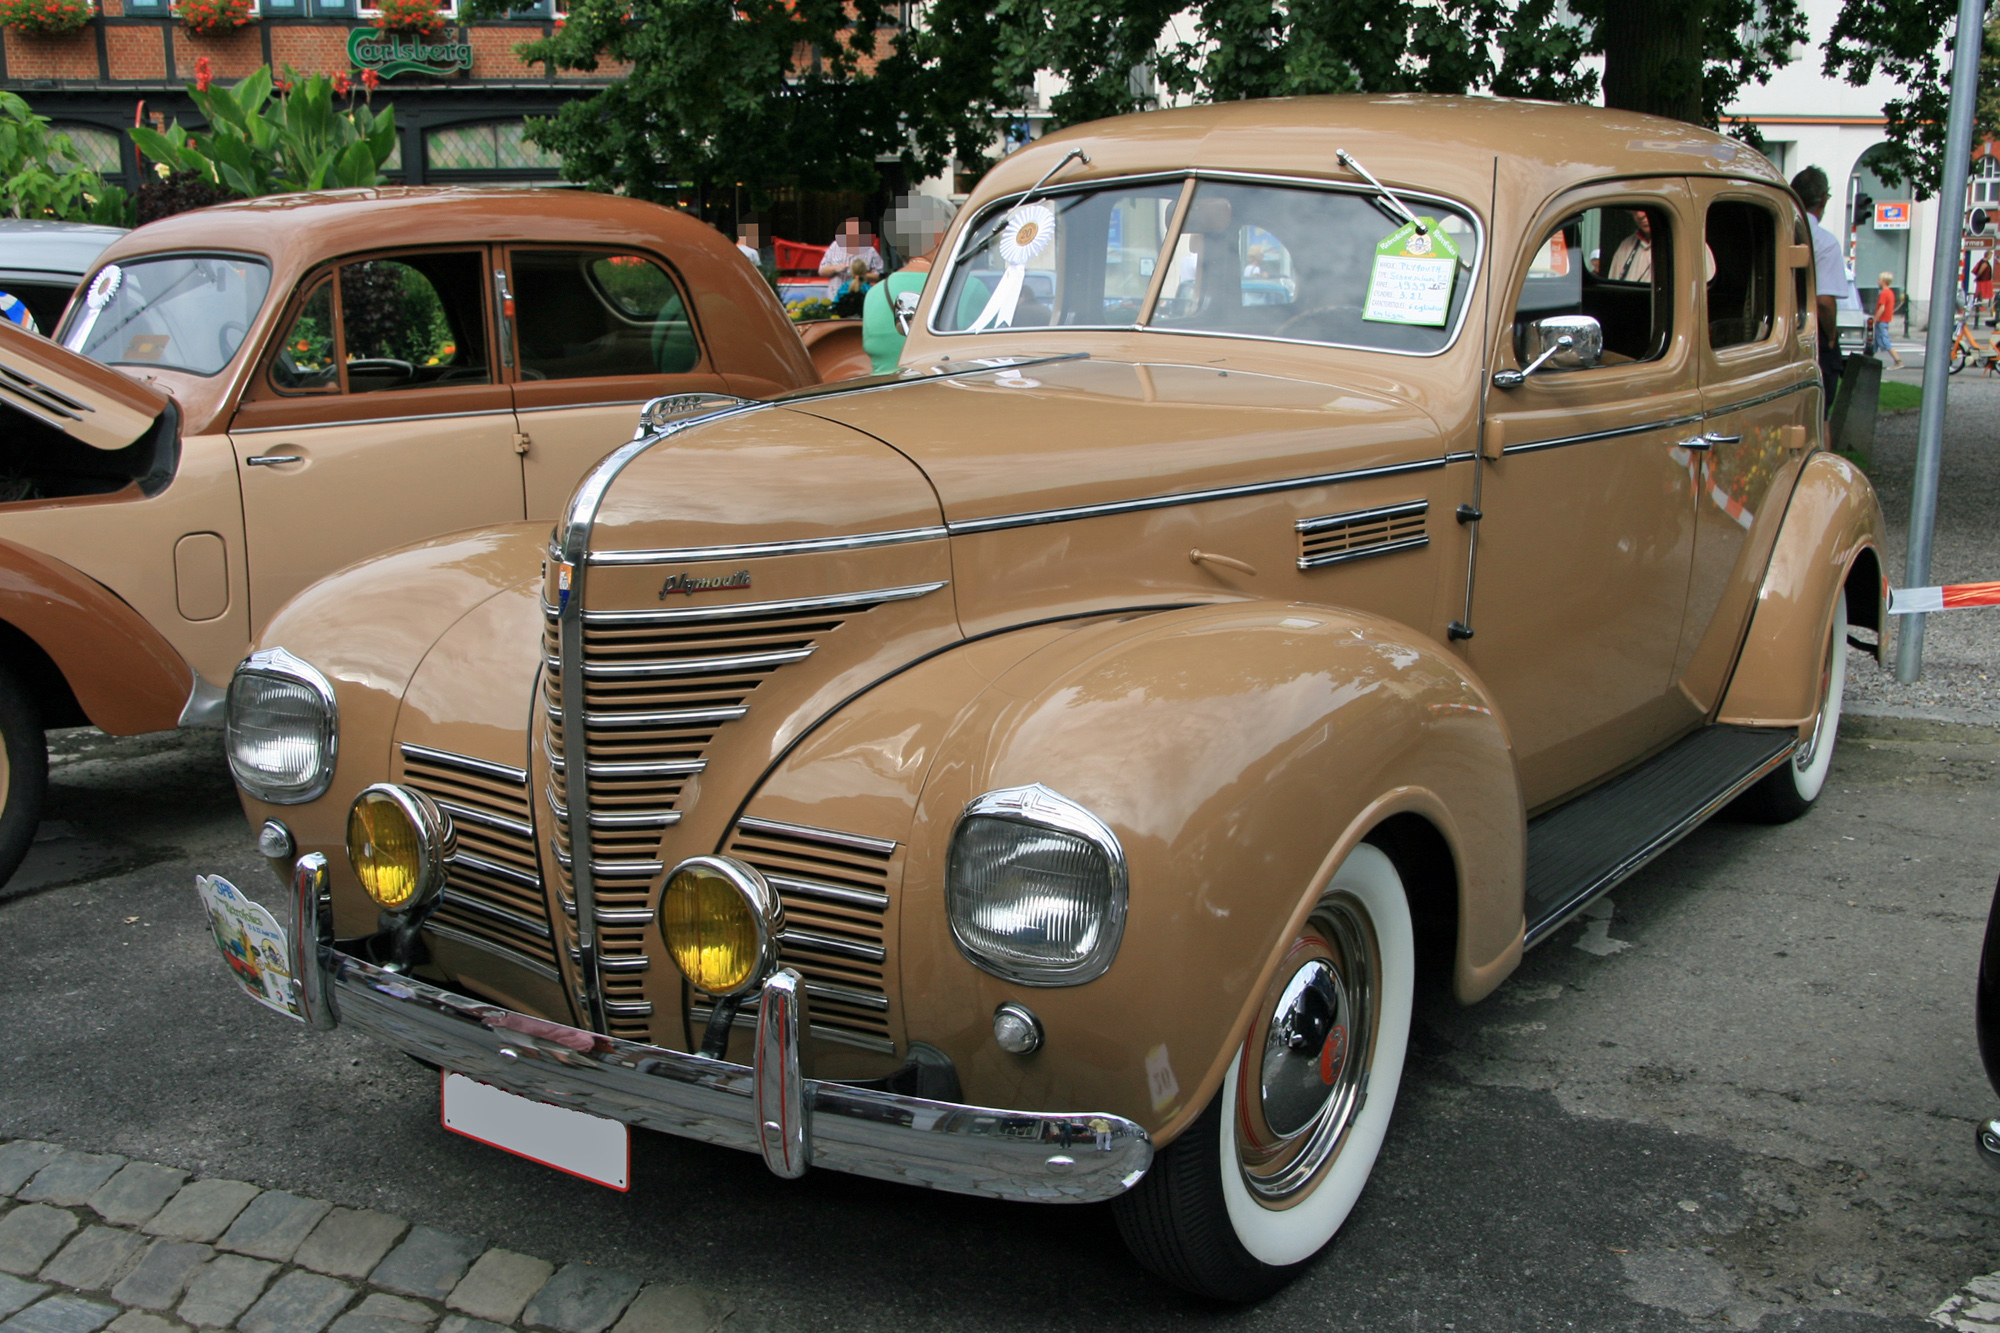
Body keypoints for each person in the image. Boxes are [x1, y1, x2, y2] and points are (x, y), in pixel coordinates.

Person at [1792, 166, 1861, 414]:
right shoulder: (1824, 241)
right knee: (1820, 416)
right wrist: (1831, 335)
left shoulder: (1777, 231)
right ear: (1823, 199)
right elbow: (1824, 301)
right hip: (1813, 333)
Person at [864, 193, 957, 374]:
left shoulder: (873, 295)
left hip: (883, 396)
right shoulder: (968, 287)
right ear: (942, 237)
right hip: (944, 395)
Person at [819, 218, 884, 300]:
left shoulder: (870, 250)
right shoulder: (835, 246)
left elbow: (881, 275)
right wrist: (836, 268)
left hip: (860, 298)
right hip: (835, 298)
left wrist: (860, 276)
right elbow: (822, 271)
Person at [1604, 210, 1656, 281]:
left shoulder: (1674, 245)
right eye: (1635, 210)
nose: (1640, 215)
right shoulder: (1626, 245)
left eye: (1645, 208)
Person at [1871, 273, 1904, 368]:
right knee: (1875, 342)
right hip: (1884, 320)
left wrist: (1875, 319)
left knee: (1885, 341)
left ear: (1884, 281)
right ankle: (1868, 360)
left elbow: (1882, 307)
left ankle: (1898, 361)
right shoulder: (1890, 292)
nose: (1878, 281)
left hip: (1881, 321)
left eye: (1879, 280)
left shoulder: (1884, 293)